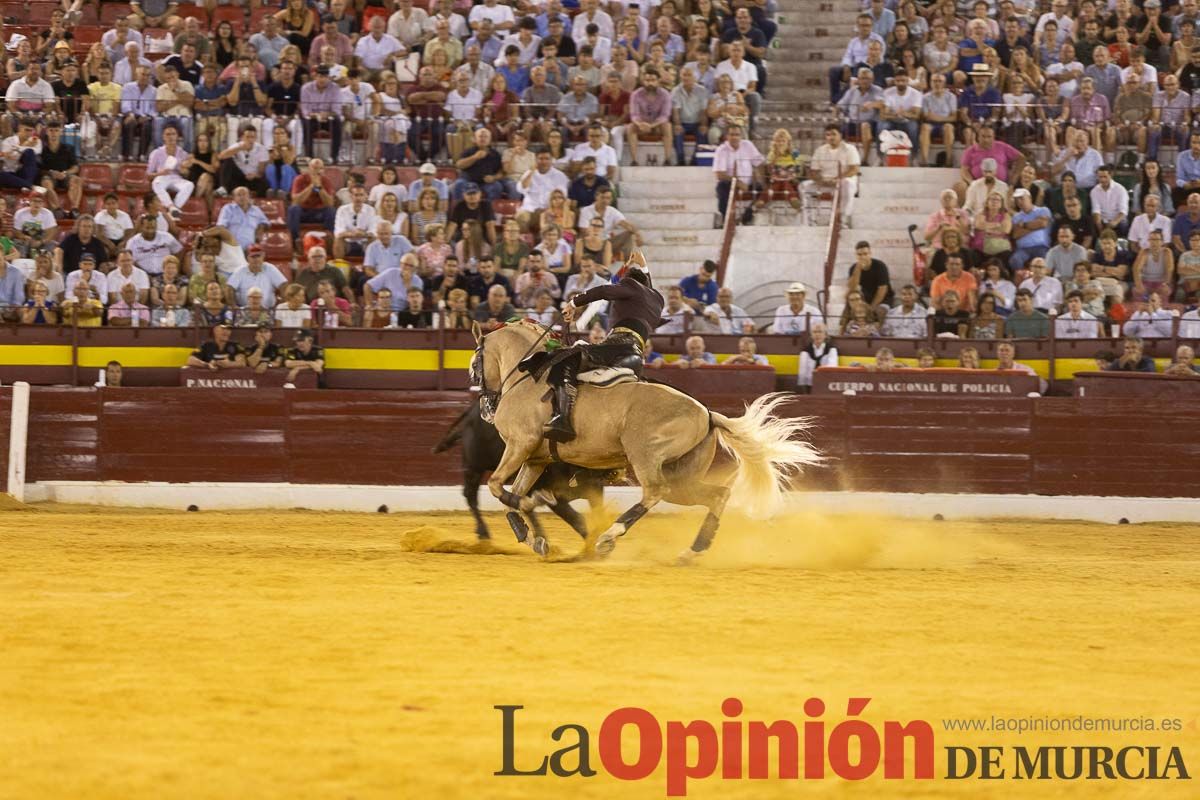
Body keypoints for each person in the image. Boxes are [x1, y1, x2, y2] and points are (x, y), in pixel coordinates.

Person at [546, 254, 665, 442]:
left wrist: (573, 302)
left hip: (617, 348)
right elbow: (645, 286)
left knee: (564, 359)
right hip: (635, 355)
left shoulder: (631, 286)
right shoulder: (657, 299)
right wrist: (644, 267)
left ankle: (563, 419)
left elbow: (604, 290)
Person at [797, 322, 837, 391]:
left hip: (827, 384)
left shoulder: (831, 350)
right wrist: (803, 388)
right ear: (811, 335)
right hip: (809, 385)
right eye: (815, 332)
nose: (817, 334)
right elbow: (802, 372)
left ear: (825, 335)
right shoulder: (805, 351)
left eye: (820, 332)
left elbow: (832, 368)